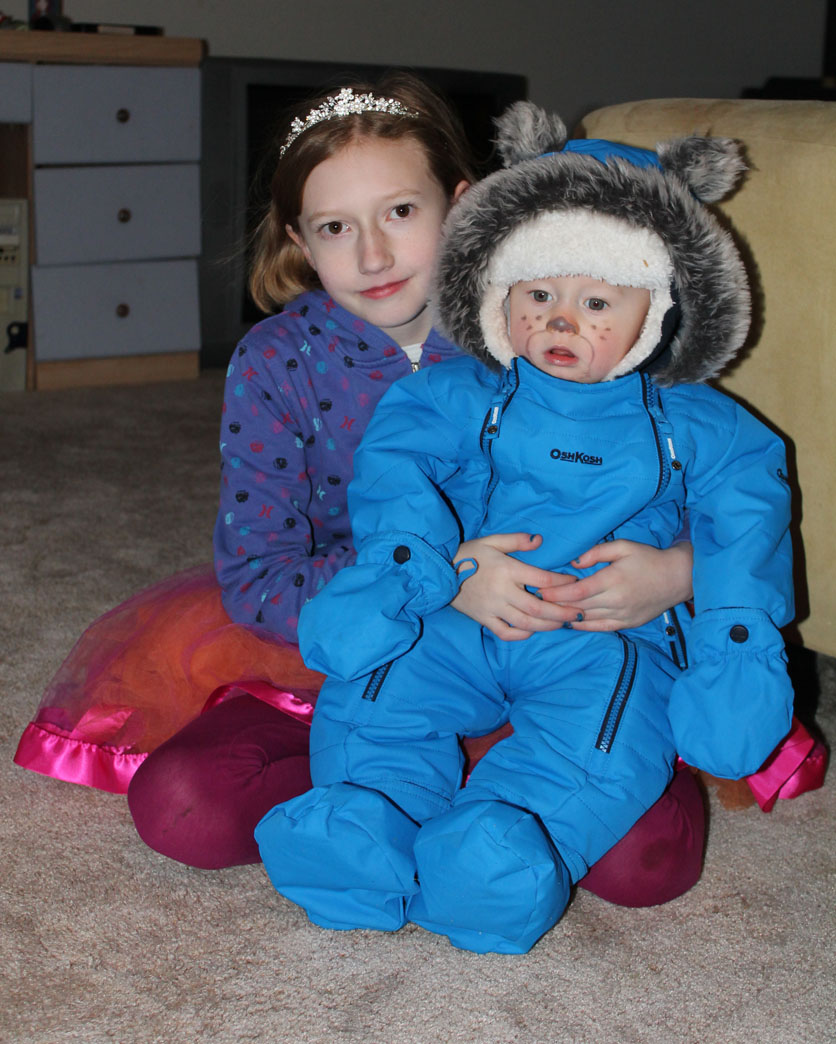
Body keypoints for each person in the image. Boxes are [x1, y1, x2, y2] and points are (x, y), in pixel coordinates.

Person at [13, 78, 820, 893]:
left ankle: (489, 809)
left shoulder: (554, 319)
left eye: (400, 212)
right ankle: (385, 807)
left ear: (465, 206)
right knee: (185, 806)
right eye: (336, 227)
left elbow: (703, 490)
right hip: (358, 644)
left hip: (578, 656)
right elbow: (259, 574)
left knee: (647, 863)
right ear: (299, 240)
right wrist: (444, 580)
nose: (372, 255)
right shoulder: (275, 363)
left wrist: (681, 572)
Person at [253, 101, 801, 955]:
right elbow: (395, 471)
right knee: (383, 689)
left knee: (605, 734)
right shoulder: (453, 393)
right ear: (500, 296)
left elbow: (746, 526)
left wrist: (713, 623)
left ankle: (494, 860)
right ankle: (362, 828)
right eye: (538, 294)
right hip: (459, 610)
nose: (559, 320)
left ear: (660, 311)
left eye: (597, 300)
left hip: (601, 637)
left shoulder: (698, 425)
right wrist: (416, 573)